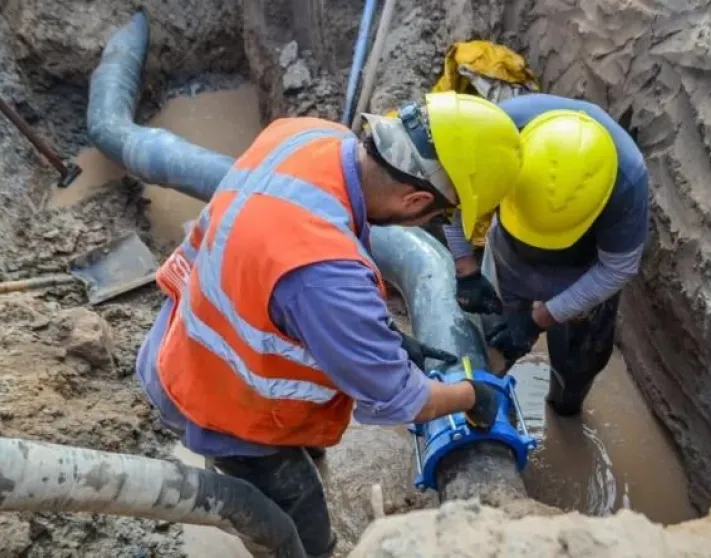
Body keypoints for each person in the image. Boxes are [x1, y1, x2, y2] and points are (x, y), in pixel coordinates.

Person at [134, 92, 522, 557]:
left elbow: (283, 284)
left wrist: (386, 338)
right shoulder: (328, 274)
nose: (436, 221)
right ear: (416, 197)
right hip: (221, 403)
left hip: (185, 338)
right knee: (299, 532)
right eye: (438, 215)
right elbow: (399, 398)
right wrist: (473, 395)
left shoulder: (314, 135)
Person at [442, 93, 649, 417]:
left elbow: (618, 267)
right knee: (492, 344)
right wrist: (466, 269)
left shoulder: (627, 181)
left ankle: (566, 404)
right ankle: (480, 408)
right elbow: (453, 200)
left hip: (584, 269)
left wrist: (539, 320)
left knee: (578, 363)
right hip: (508, 253)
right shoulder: (494, 136)